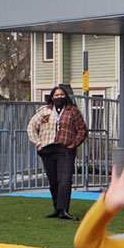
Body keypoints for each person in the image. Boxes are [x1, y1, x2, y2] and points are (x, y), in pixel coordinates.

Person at [27, 84, 88, 220]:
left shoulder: (73, 111)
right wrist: (38, 143)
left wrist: (73, 144)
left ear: (66, 97)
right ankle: (56, 208)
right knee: (53, 181)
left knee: (64, 181)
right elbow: (31, 127)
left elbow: (82, 130)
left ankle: (64, 210)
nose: (59, 97)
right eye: (56, 95)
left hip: (65, 150)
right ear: (52, 98)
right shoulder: (44, 111)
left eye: (62, 95)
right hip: (48, 150)